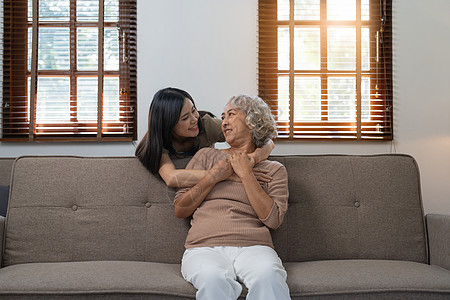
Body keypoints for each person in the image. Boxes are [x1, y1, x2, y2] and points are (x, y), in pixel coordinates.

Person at [174, 95, 290, 300]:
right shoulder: (205, 157)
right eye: (222, 116)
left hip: (254, 247)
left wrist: (246, 173)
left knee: (269, 277)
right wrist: (213, 176)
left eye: (231, 114)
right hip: (204, 247)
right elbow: (180, 209)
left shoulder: (273, 170)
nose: (224, 122)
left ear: (253, 120)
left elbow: (273, 220)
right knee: (213, 280)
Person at [135, 87, 275, 187]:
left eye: (193, 110)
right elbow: (172, 178)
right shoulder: (159, 144)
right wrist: (232, 175)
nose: (194, 119)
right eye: (185, 118)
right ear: (169, 125)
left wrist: (254, 158)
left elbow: (264, 138)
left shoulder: (205, 124)